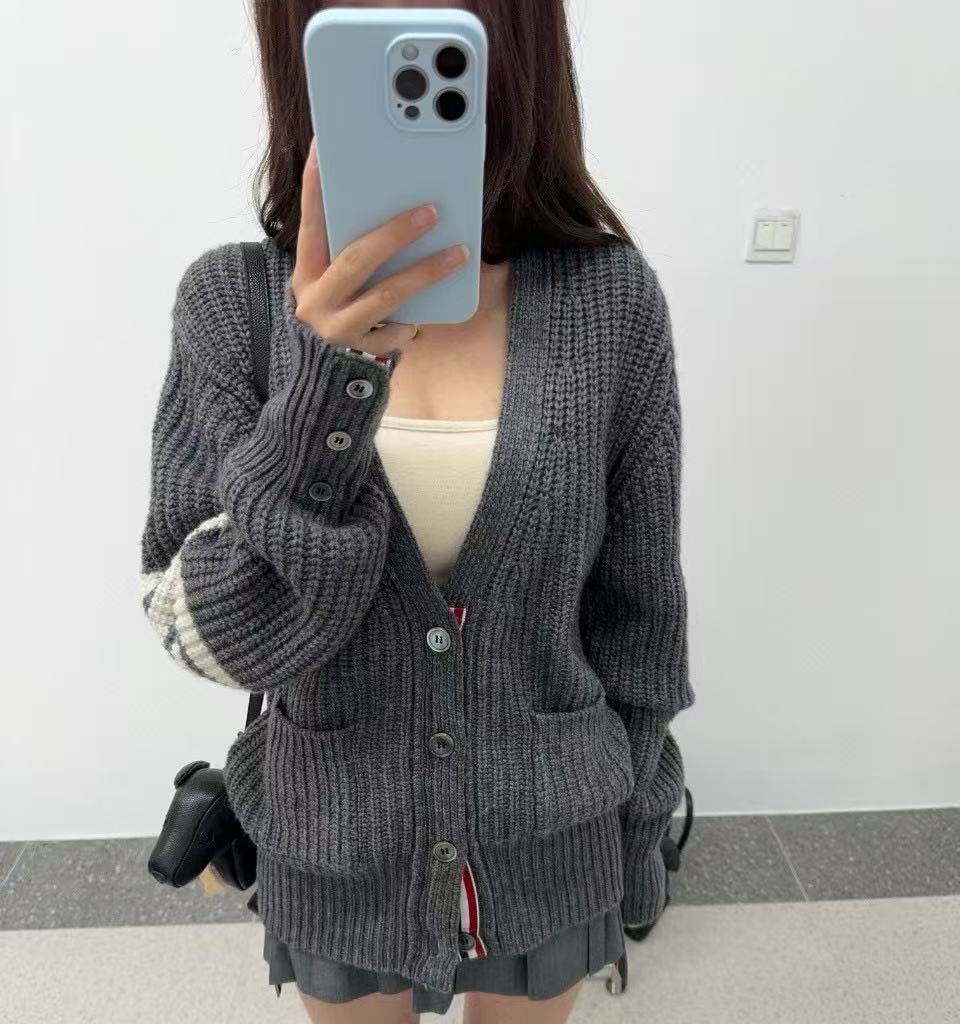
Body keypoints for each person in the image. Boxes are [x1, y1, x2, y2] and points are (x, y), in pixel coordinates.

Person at [139, 0, 694, 1020]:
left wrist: (636, 840)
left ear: (511, 42)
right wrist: (324, 387)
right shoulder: (232, 305)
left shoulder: (609, 302)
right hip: (333, 845)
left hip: (553, 840)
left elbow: (642, 620)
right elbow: (213, 636)